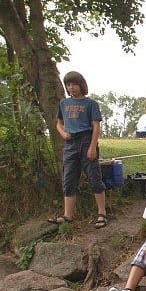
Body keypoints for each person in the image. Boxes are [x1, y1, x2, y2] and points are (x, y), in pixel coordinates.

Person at [48, 71, 109, 228]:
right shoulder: (64, 103)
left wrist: (92, 147)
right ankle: (67, 215)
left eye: (74, 84)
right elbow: (58, 123)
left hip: (86, 140)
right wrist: (63, 134)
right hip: (70, 144)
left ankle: (102, 213)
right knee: (69, 178)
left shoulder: (90, 104)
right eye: (68, 85)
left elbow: (96, 126)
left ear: (81, 85)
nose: (71, 87)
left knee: (94, 178)